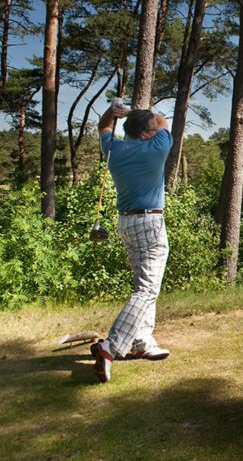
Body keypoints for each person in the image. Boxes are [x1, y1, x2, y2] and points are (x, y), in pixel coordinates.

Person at [90, 103, 173, 383]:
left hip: (126, 223)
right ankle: (110, 347)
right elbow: (162, 121)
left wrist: (113, 113)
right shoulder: (157, 147)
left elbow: (102, 127)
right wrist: (145, 108)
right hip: (150, 223)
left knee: (144, 283)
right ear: (146, 134)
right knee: (147, 289)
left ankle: (141, 342)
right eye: (151, 128)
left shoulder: (115, 149)